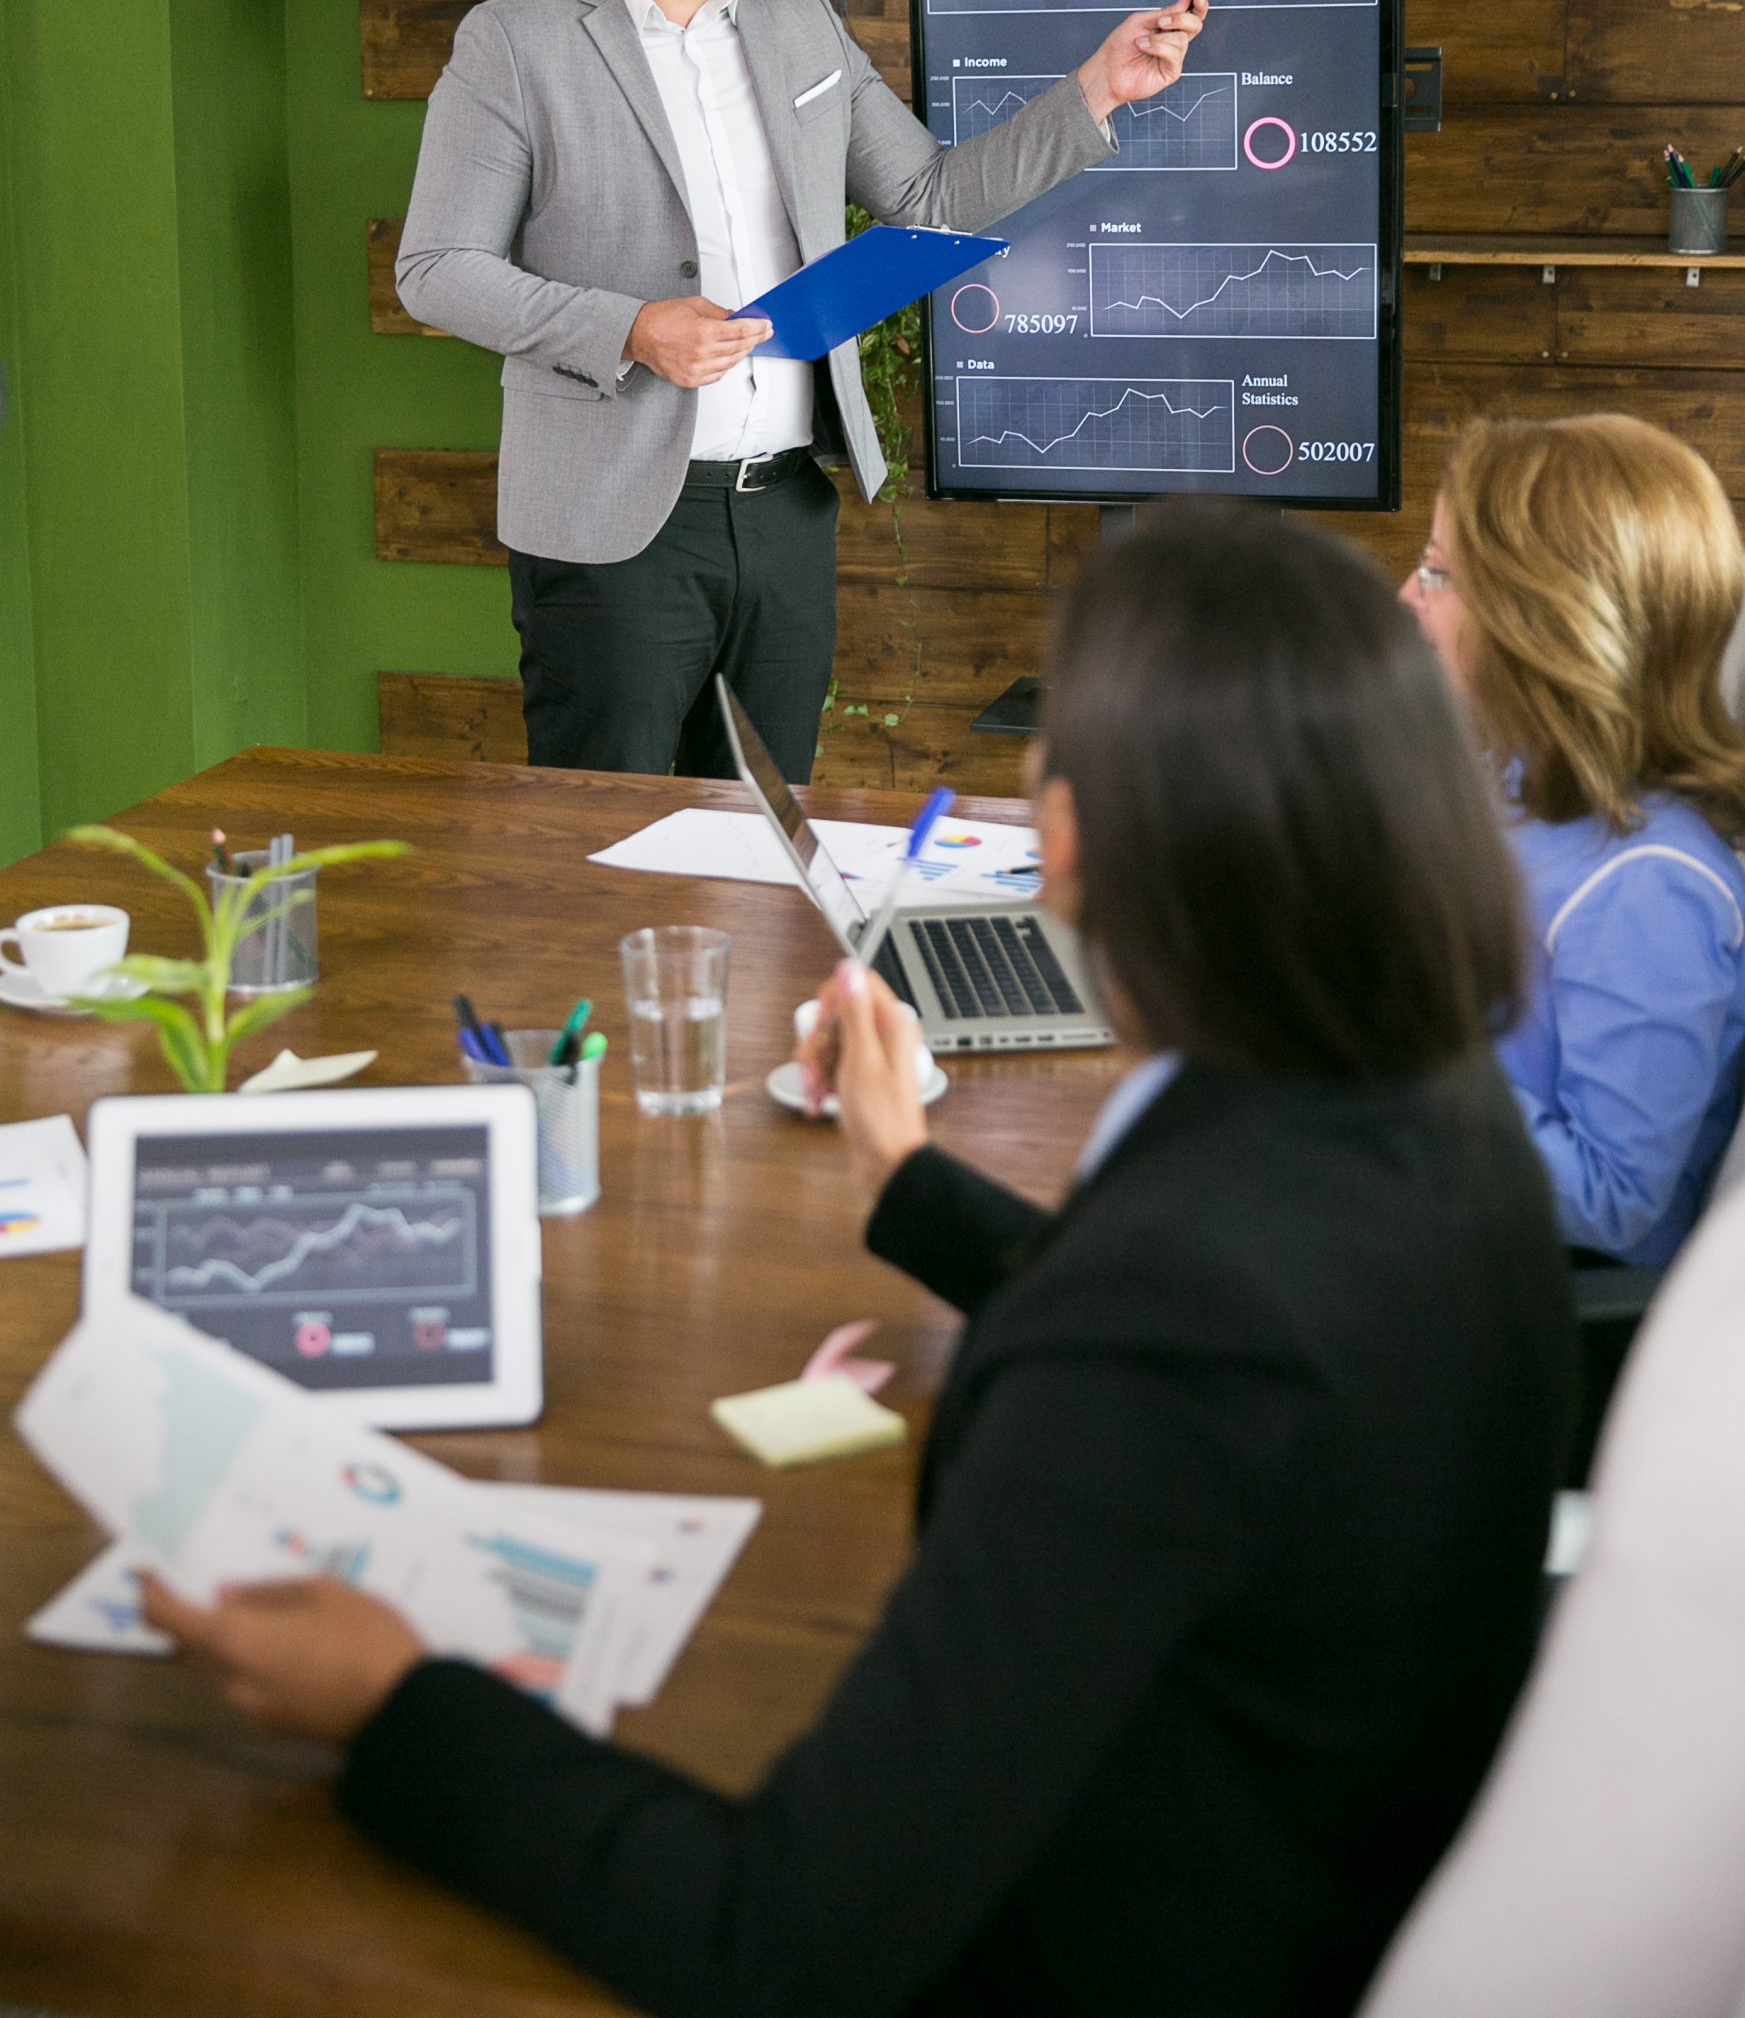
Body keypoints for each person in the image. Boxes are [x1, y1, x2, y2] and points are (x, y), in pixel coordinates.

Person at [143, 505, 1573, 2018]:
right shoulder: (1423, 1104)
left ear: (1066, 835)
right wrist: (907, 1179)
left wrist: (396, 1703)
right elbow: (1223, 1379)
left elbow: (778, 1944)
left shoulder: (1179, 1308)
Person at [395, 0, 1206, 780]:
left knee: (764, 855)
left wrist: (1097, 87)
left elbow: (928, 196)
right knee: (603, 855)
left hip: (783, 518)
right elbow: (437, 266)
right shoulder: (515, 42)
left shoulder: (798, 21)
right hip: (611, 530)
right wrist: (630, 327)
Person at [1403, 412, 1745, 1267]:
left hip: (1518, 1300)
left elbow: (1613, 1198)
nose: (1407, 597)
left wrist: (1385, 1064)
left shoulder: (1651, 885)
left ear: (1543, 623)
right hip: (1423, 1213)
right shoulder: (1507, 779)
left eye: (1439, 575)